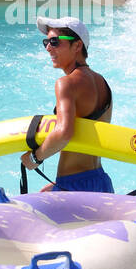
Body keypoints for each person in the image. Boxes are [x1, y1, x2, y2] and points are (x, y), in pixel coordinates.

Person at [19, 16, 114, 192]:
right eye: (46, 42)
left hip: (73, 186)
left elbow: (64, 132)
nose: (48, 47)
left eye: (55, 42)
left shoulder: (66, 83)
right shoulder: (102, 83)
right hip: (101, 181)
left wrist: (34, 158)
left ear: (77, 45)